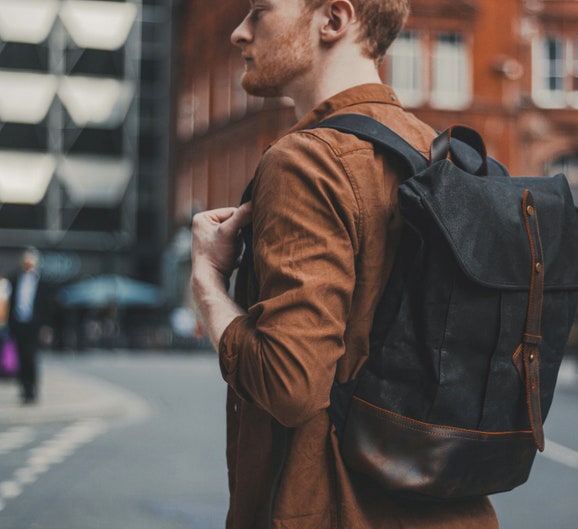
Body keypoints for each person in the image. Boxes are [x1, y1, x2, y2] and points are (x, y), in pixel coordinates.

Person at [190, 1, 498, 527]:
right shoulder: (443, 156)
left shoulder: (306, 160)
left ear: (333, 20)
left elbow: (288, 385)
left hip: (336, 510)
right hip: (452, 509)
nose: (240, 34)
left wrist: (208, 285)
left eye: (260, 12)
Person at [8, 248, 47, 404]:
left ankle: (32, 389)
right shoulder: (15, 279)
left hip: (34, 325)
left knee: (31, 357)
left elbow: (46, 306)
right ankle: (24, 388)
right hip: (18, 323)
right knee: (20, 357)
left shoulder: (42, 283)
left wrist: (45, 327)